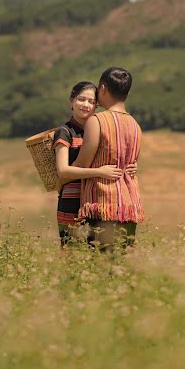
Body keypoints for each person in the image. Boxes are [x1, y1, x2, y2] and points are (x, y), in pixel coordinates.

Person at [52, 81, 137, 246]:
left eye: (91, 102)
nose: (86, 105)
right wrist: (99, 172)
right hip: (72, 200)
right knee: (72, 253)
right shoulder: (64, 132)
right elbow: (63, 171)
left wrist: (131, 166)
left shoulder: (96, 129)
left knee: (94, 254)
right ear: (71, 101)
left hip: (93, 201)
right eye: (81, 99)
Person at [74, 67, 144, 251]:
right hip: (129, 206)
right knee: (119, 268)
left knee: (99, 268)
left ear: (102, 89)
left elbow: (83, 164)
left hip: (103, 205)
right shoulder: (135, 125)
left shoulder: (97, 121)